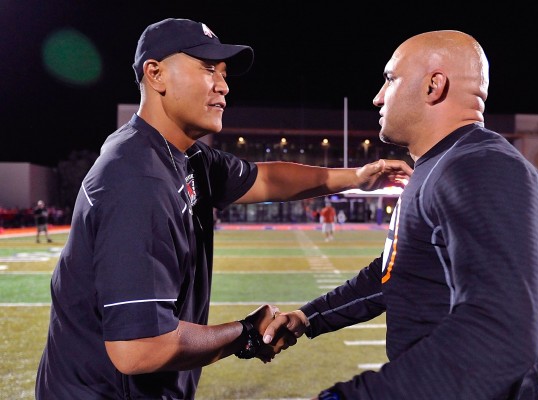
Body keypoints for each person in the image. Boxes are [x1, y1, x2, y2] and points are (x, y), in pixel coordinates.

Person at [34, 18, 413, 399]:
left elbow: (267, 179)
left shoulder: (183, 156)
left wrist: (356, 178)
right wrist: (245, 334)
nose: (223, 85)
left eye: (224, 73)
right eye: (207, 68)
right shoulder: (137, 180)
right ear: (156, 74)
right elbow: (139, 349)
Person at [264, 30, 538, 399]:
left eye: (389, 79)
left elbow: (500, 334)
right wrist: (308, 317)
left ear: (434, 85)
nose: (378, 96)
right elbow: (395, 274)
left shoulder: (482, 165)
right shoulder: (437, 167)